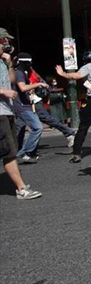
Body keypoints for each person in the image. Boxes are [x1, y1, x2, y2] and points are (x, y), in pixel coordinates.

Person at [0, 28, 42, 199]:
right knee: (9, 151)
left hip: (7, 110)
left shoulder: (3, 61)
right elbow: (7, 88)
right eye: (4, 41)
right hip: (0, 112)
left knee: (8, 150)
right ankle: (21, 188)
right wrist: (3, 92)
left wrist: (9, 63)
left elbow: (11, 81)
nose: (8, 44)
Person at [14, 54, 76, 153]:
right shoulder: (24, 72)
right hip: (27, 102)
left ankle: (69, 133)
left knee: (42, 120)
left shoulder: (24, 72)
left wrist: (35, 86)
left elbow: (28, 86)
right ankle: (19, 148)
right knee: (21, 124)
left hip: (33, 101)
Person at [12, 53, 48, 163]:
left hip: (24, 104)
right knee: (37, 128)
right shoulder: (19, 73)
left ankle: (18, 153)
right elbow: (22, 88)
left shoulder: (21, 72)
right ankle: (24, 152)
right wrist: (38, 84)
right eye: (28, 63)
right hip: (22, 106)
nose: (30, 65)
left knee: (19, 130)